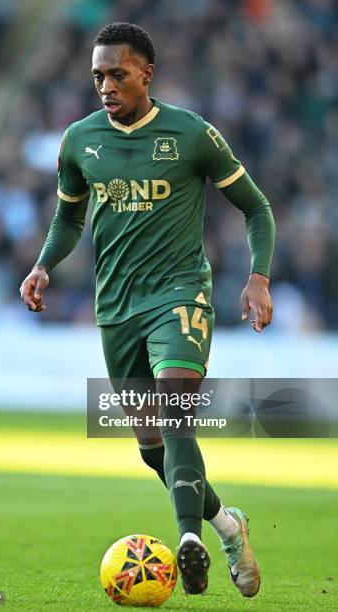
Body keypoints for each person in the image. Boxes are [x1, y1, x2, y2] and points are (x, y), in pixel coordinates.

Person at [20, 22, 275, 598]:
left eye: (117, 74)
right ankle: (227, 525)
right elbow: (68, 217)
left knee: (175, 410)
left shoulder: (190, 134)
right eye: (98, 77)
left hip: (181, 294)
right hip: (116, 307)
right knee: (151, 443)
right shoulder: (79, 141)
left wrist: (258, 276)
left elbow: (256, 208)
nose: (105, 85)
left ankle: (190, 541)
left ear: (147, 74)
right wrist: (42, 265)